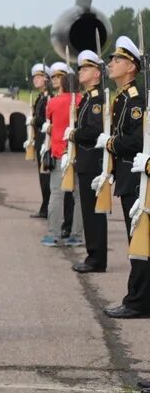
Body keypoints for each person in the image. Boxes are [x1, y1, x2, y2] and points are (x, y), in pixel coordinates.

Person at [103, 36, 148, 319]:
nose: (111, 64)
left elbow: (133, 141)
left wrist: (110, 144)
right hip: (127, 174)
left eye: (117, 60)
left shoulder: (135, 99)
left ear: (131, 66)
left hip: (137, 176)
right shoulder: (122, 97)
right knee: (137, 240)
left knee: (139, 241)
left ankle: (137, 301)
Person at [68, 50, 108, 273]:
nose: (80, 71)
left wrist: (73, 134)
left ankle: (96, 259)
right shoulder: (87, 98)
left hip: (92, 160)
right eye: (81, 68)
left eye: (85, 68)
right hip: (85, 160)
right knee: (88, 211)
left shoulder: (96, 100)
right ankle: (93, 255)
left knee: (93, 213)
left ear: (96, 74)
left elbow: (93, 131)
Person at [44, 62, 83, 247]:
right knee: (78, 196)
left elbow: (50, 119)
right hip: (77, 153)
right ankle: (76, 234)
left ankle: (53, 233)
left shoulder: (53, 102)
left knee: (56, 194)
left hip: (59, 152)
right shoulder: (82, 100)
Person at [27, 63, 51, 218]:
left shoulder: (48, 98)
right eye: (34, 77)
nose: (35, 80)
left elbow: (47, 121)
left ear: (46, 79)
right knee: (42, 176)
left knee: (46, 176)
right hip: (39, 140)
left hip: (46, 141)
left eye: (39, 77)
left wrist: (35, 121)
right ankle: (45, 206)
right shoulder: (41, 98)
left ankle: (47, 207)